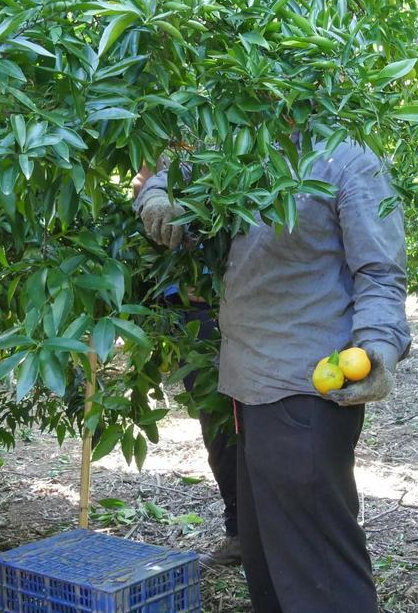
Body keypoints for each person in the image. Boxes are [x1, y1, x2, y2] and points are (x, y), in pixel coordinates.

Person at [135, 140, 410, 612]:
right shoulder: (235, 140)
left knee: (320, 574)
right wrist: (158, 195)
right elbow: (175, 170)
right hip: (248, 384)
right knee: (268, 563)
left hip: (308, 392)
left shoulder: (347, 161)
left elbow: (381, 274)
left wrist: (379, 347)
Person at [131, 165, 241, 567]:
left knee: (252, 426)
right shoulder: (169, 150)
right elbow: (147, 188)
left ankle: (264, 532)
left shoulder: (228, 149)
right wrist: (148, 194)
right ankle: (241, 532)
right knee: (219, 427)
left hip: (231, 304)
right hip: (188, 310)